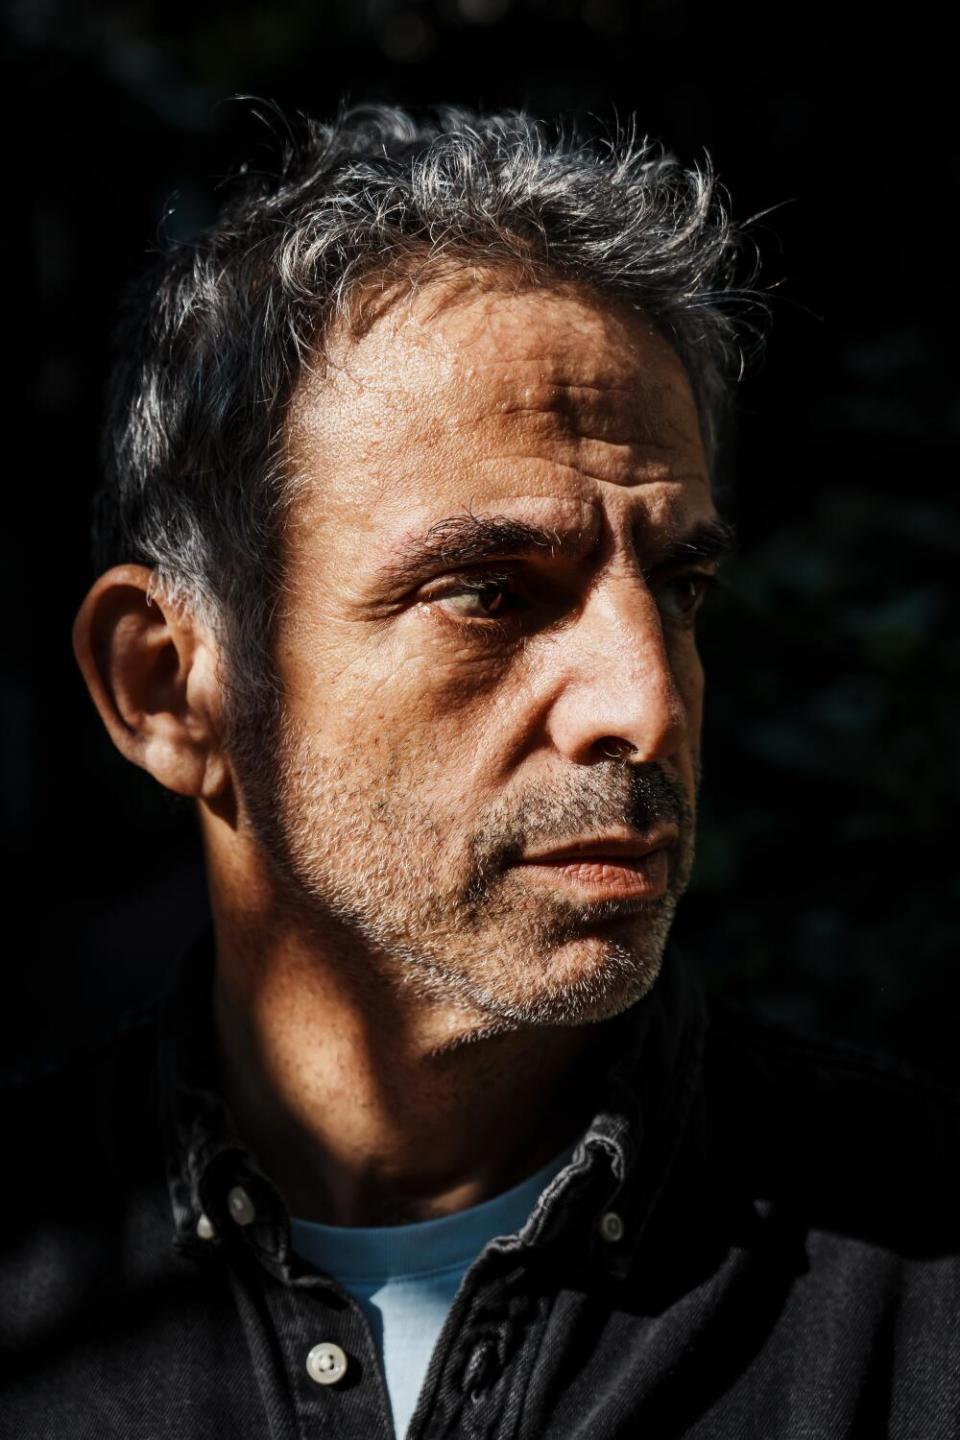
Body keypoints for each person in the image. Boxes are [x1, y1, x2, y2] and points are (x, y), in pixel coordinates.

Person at [3, 104, 957, 1439]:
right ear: (170, 687)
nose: (643, 704)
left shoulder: (921, 1273)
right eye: (491, 594)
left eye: (679, 586)